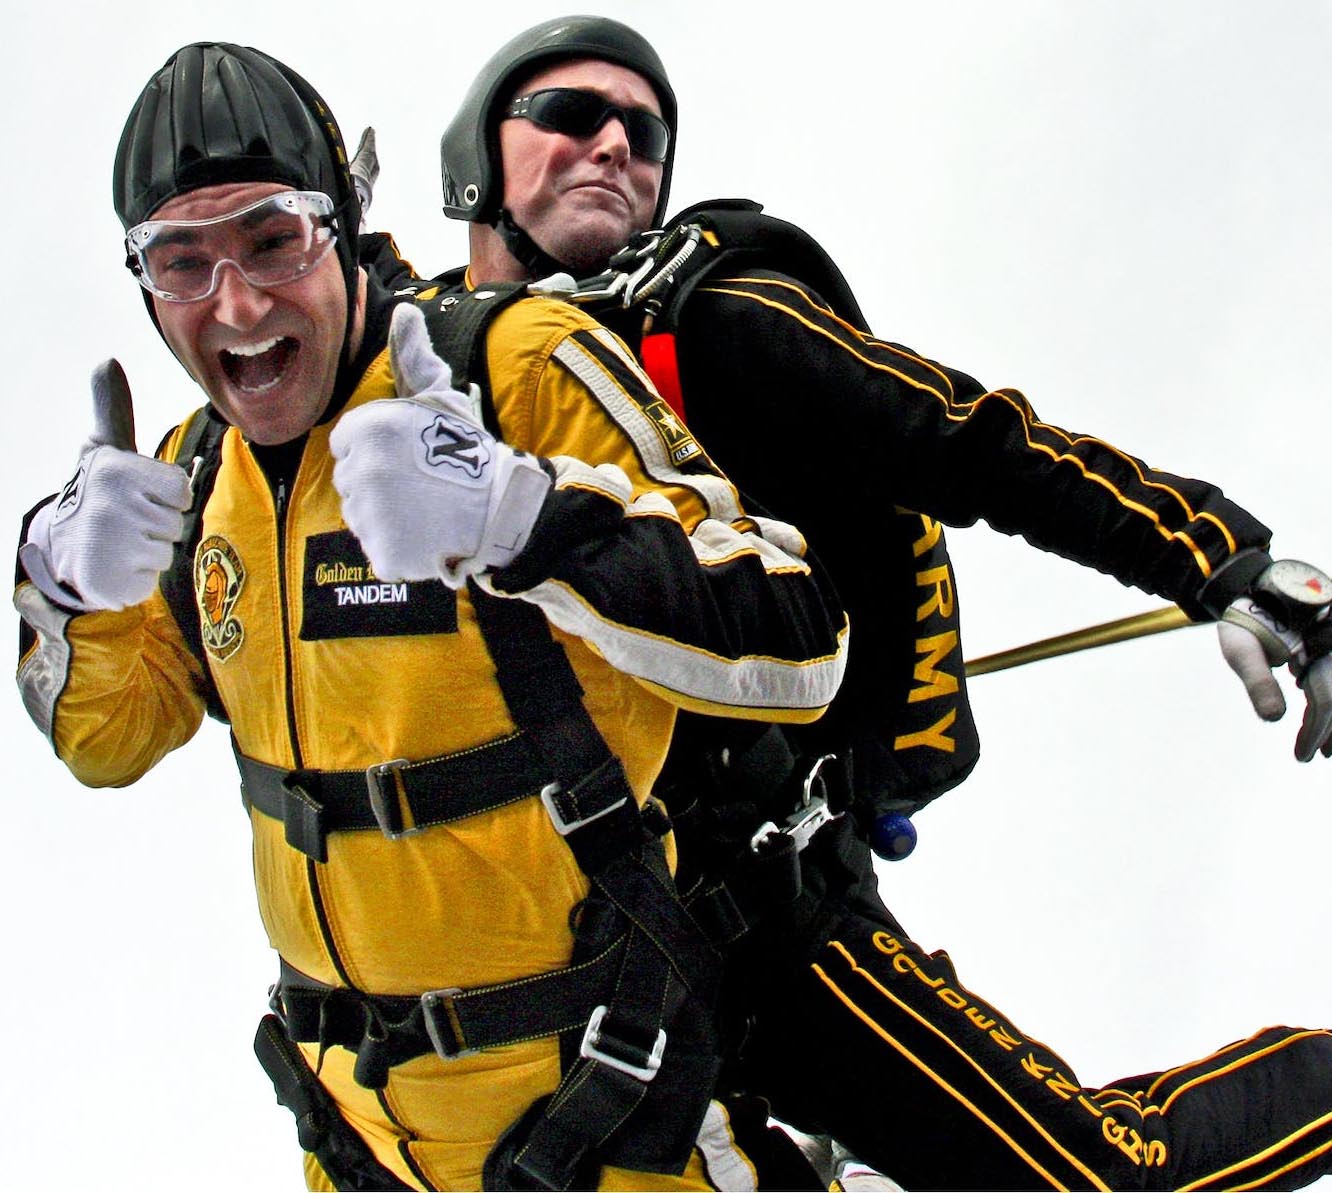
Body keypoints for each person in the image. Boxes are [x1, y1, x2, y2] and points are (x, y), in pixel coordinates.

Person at [357, 14, 1332, 1190]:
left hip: (762, 915)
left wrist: (1223, 559)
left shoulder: (711, 326)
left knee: (1098, 1178)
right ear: (479, 156)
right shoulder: (399, 360)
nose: (617, 145)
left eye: (645, 131)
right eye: (574, 115)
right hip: (552, 945)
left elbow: (972, 442)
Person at [13, 41, 852, 1192]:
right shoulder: (191, 479)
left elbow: (802, 638)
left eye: (273, 236)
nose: (239, 301)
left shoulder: (517, 371)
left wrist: (523, 519)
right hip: (358, 1144)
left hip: (610, 1125)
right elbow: (104, 739)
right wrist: (62, 590)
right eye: (180, 262)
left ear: (344, 223)